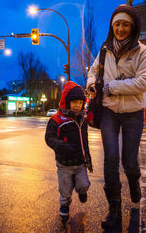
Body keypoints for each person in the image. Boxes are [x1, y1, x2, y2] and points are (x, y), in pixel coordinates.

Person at [87, 4, 146, 229]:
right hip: (109, 111)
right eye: (117, 24)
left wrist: (110, 86)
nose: (121, 28)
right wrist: (92, 84)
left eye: (125, 24)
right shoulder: (105, 49)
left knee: (128, 161)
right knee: (111, 159)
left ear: (133, 26)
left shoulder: (142, 51)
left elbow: (143, 83)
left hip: (134, 112)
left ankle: (134, 179)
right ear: (111, 26)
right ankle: (114, 209)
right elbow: (94, 71)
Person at [45, 81, 93, 224]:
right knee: (65, 189)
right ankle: (64, 207)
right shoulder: (57, 120)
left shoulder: (82, 120)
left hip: (80, 163)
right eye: (74, 102)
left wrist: (88, 158)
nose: (77, 105)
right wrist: (61, 146)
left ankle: (81, 190)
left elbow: (85, 141)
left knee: (84, 184)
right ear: (67, 101)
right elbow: (49, 137)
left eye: (80, 102)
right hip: (64, 164)